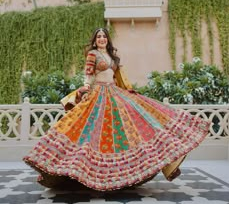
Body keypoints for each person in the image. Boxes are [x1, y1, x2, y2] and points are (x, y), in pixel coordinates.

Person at [23, 27, 210, 191]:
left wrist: (128, 90)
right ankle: (86, 173)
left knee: (134, 126)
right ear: (95, 40)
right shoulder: (92, 55)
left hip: (114, 93)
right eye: (98, 37)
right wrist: (86, 89)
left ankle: (126, 174)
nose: (102, 39)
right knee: (93, 134)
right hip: (98, 94)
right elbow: (88, 75)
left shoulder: (111, 56)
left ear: (108, 39)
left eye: (104, 36)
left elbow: (118, 77)